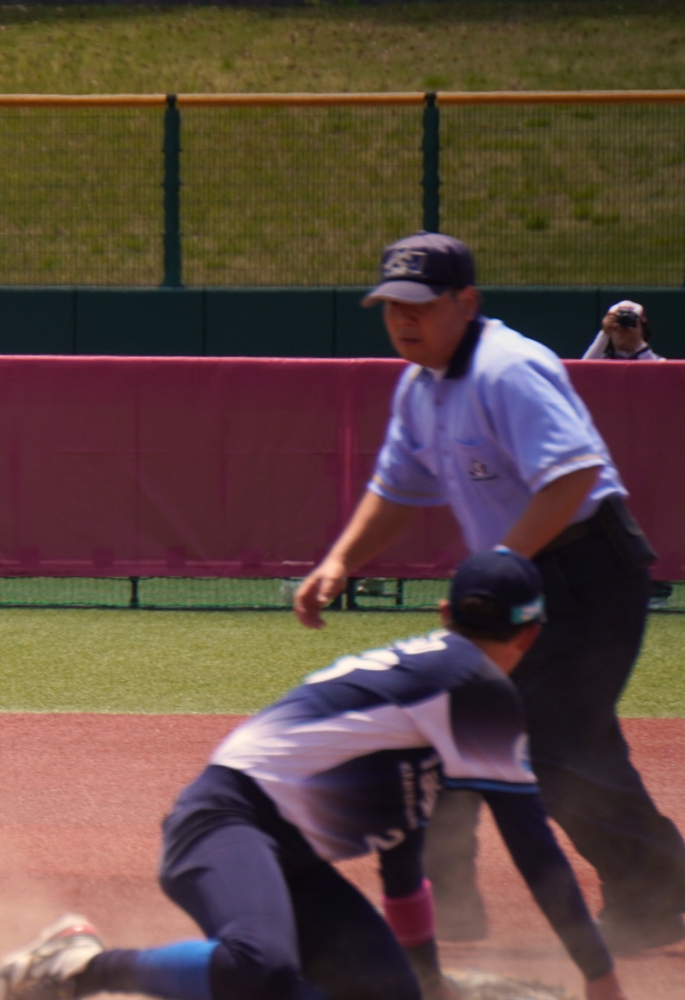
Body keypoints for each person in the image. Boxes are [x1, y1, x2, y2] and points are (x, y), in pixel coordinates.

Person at [0, 550, 625, 1000]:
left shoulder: (426, 702)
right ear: (534, 635)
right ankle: (78, 967)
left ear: (445, 612)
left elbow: (402, 863)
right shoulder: (476, 687)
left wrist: (425, 981)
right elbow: (533, 847)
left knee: (383, 994)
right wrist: (598, 973)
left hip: (280, 852)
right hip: (228, 822)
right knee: (259, 969)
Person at [292, 232, 685, 953]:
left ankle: (656, 889)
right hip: (517, 579)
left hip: (587, 571)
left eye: (421, 304)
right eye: (391, 307)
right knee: (450, 720)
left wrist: (498, 566)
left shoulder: (509, 369)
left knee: (556, 744)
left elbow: (572, 479)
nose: (404, 320)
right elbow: (395, 489)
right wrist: (341, 560)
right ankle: (452, 910)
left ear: (465, 302)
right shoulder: (421, 386)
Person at [582, 300, 662, 361]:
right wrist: (604, 334)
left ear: (642, 328)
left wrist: (639, 346)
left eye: (629, 322)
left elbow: (660, 371)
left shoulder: (655, 360)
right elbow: (583, 370)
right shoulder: (602, 361)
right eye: (618, 323)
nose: (623, 329)